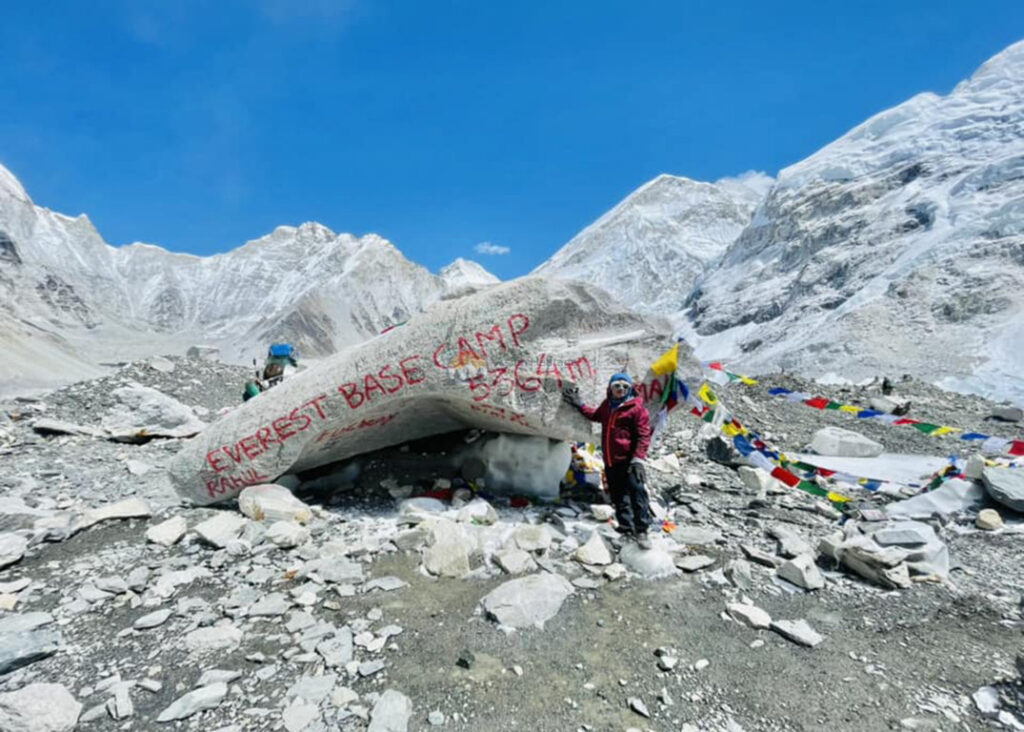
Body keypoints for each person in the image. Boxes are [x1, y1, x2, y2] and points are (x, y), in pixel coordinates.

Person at [563, 373, 654, 549]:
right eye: (617, 386)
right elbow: (595, 415)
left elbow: (644, 435)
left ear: (630, 389)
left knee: (638, 493)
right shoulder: (607, 405)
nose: (621, 389)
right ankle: (626, 530)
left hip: (630, 461)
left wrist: (638, 460)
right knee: (619, 496)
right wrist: (579, 404)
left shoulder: (637, 408)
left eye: (625, 386)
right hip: (611, 460)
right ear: (611, 388)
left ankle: (642, 531)